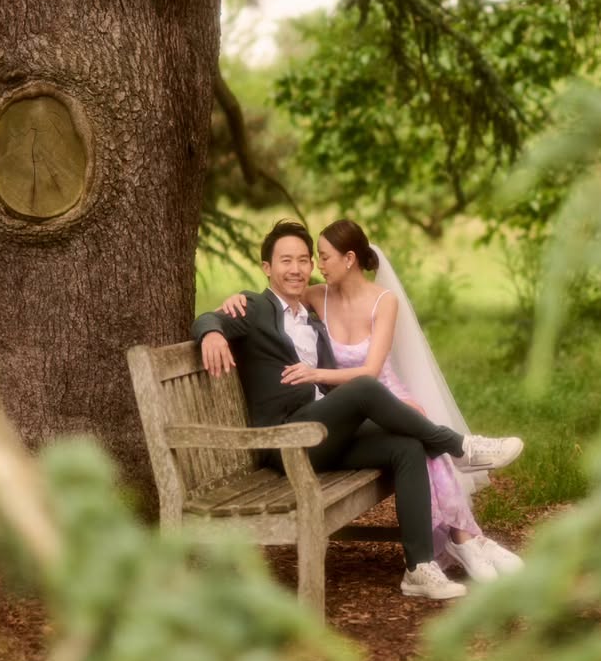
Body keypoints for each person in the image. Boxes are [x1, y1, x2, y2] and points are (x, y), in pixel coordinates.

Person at [192, 220, 523, 602]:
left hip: (323, 436)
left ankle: (420, 568)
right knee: (366, 384)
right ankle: (459, 447)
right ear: (267, 267)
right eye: (286, 261)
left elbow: (328, 384)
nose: (297, 269)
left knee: (405, 446)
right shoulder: (253, 307)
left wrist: (394, 413)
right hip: (286, 441)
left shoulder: (312, 319)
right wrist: (212, 332)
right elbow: (208, 317)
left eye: (304, 260)